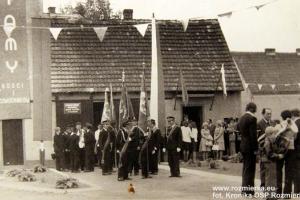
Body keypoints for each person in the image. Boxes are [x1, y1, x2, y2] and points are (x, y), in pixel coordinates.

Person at [237, 102, 258, 195]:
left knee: (245, 168)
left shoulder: (241, 118)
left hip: (243, 145)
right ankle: (249, 190)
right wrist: (256, 148)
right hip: (250, 146)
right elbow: (253, 135)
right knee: (250, 169)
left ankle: (244, 189)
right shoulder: (252, 118)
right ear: (253, 109)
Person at [276, 110, 298, 196]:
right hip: (291, 149)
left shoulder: (279, 125)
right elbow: (295, 137)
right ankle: (287, 193)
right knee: (289, 171)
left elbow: (276, 136)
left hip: (281, 149)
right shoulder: (293, 126)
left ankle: (278, 192)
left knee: (279, 170)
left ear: (281, 117)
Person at [263, 126, 286, 200]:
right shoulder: (267, 142)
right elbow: (269, 154)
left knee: (272, 180)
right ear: (269, 134)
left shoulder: (269, 141)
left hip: (270, 162)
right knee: (270, 180)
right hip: (269, 162)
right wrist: (278, 156)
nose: (275, 136)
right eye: (274, 134)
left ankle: (272, 195)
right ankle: (270, 196)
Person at [257, 108, 272, 188]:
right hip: (263, 148)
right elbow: (258, 138)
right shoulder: (259, 124)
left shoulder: (272, 123)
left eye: (270, 114)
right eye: (267, 114)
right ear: (263, 114)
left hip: (271, 149)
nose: (269, 115)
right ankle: (263, 185)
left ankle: (268, 184)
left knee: (270, 168)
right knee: (263, 168)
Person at [292, 109, 300, 194]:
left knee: (297, 170)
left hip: (297, 150)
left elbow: (295, 138)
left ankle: (297, 190)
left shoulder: (295, 124)